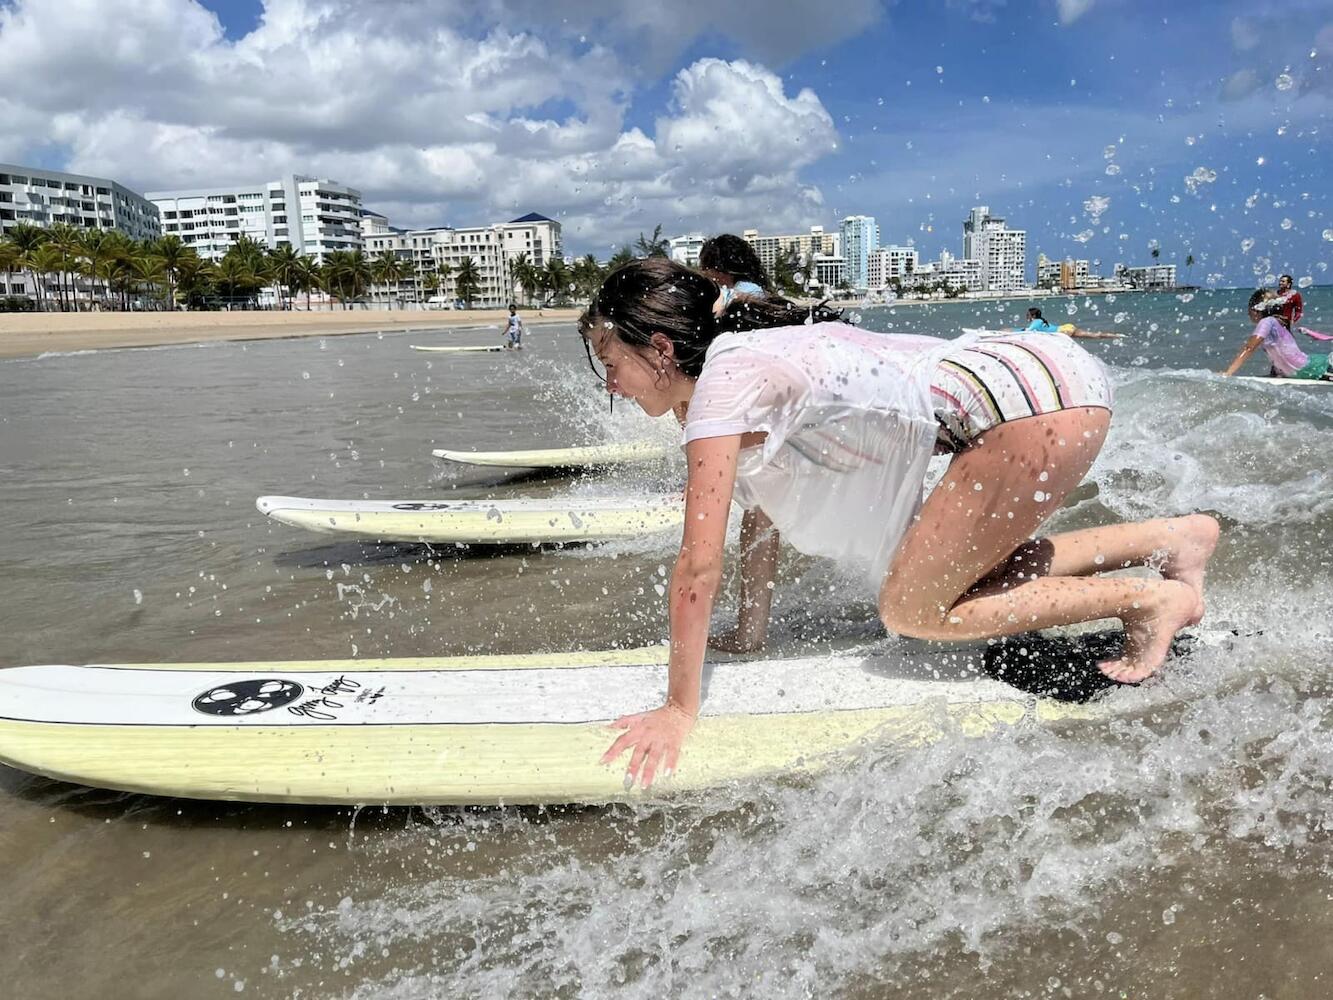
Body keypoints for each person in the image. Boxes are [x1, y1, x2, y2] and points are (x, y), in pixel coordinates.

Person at [582, 258, 1219, 788]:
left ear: (660, 350)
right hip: (1048, 376)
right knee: (965, 577)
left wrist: (678, 709)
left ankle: (1146, 598)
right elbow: (760, 513)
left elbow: (698, 563)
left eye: (611, 361)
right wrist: (750, 632)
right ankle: (1172, 539)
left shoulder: (722, 387)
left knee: (913, 611)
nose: (611, 384)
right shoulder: (741, 365)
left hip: (1024, 405)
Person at [1222, 289, 1331, 380]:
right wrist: (1276, 374)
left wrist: (1228, 373)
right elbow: (1278, 354)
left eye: (1249, 309)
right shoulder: (1274, 323)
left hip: (1315, 367)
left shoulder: (1267, 322)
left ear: (1255, 309)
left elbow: (1249, 348)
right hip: (1307, 369)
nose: (1247, 313)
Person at [698, 234, 770, 315]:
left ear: (719, 269)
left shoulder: (749, 292)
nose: (702, 272)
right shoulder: (732, 291)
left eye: (704, 267)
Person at [1019, 307, 1123, 341]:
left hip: (1064, 331)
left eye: (1028, 315)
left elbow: (1027, 332)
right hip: (1065, 327)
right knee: (1093, 335)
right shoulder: (1040, 321)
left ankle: (1116, 336)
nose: (1027, 317)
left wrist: (1019, 330)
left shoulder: (1036, 322)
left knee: (1092, 336)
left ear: (1032, 316)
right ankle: (1117, 336)